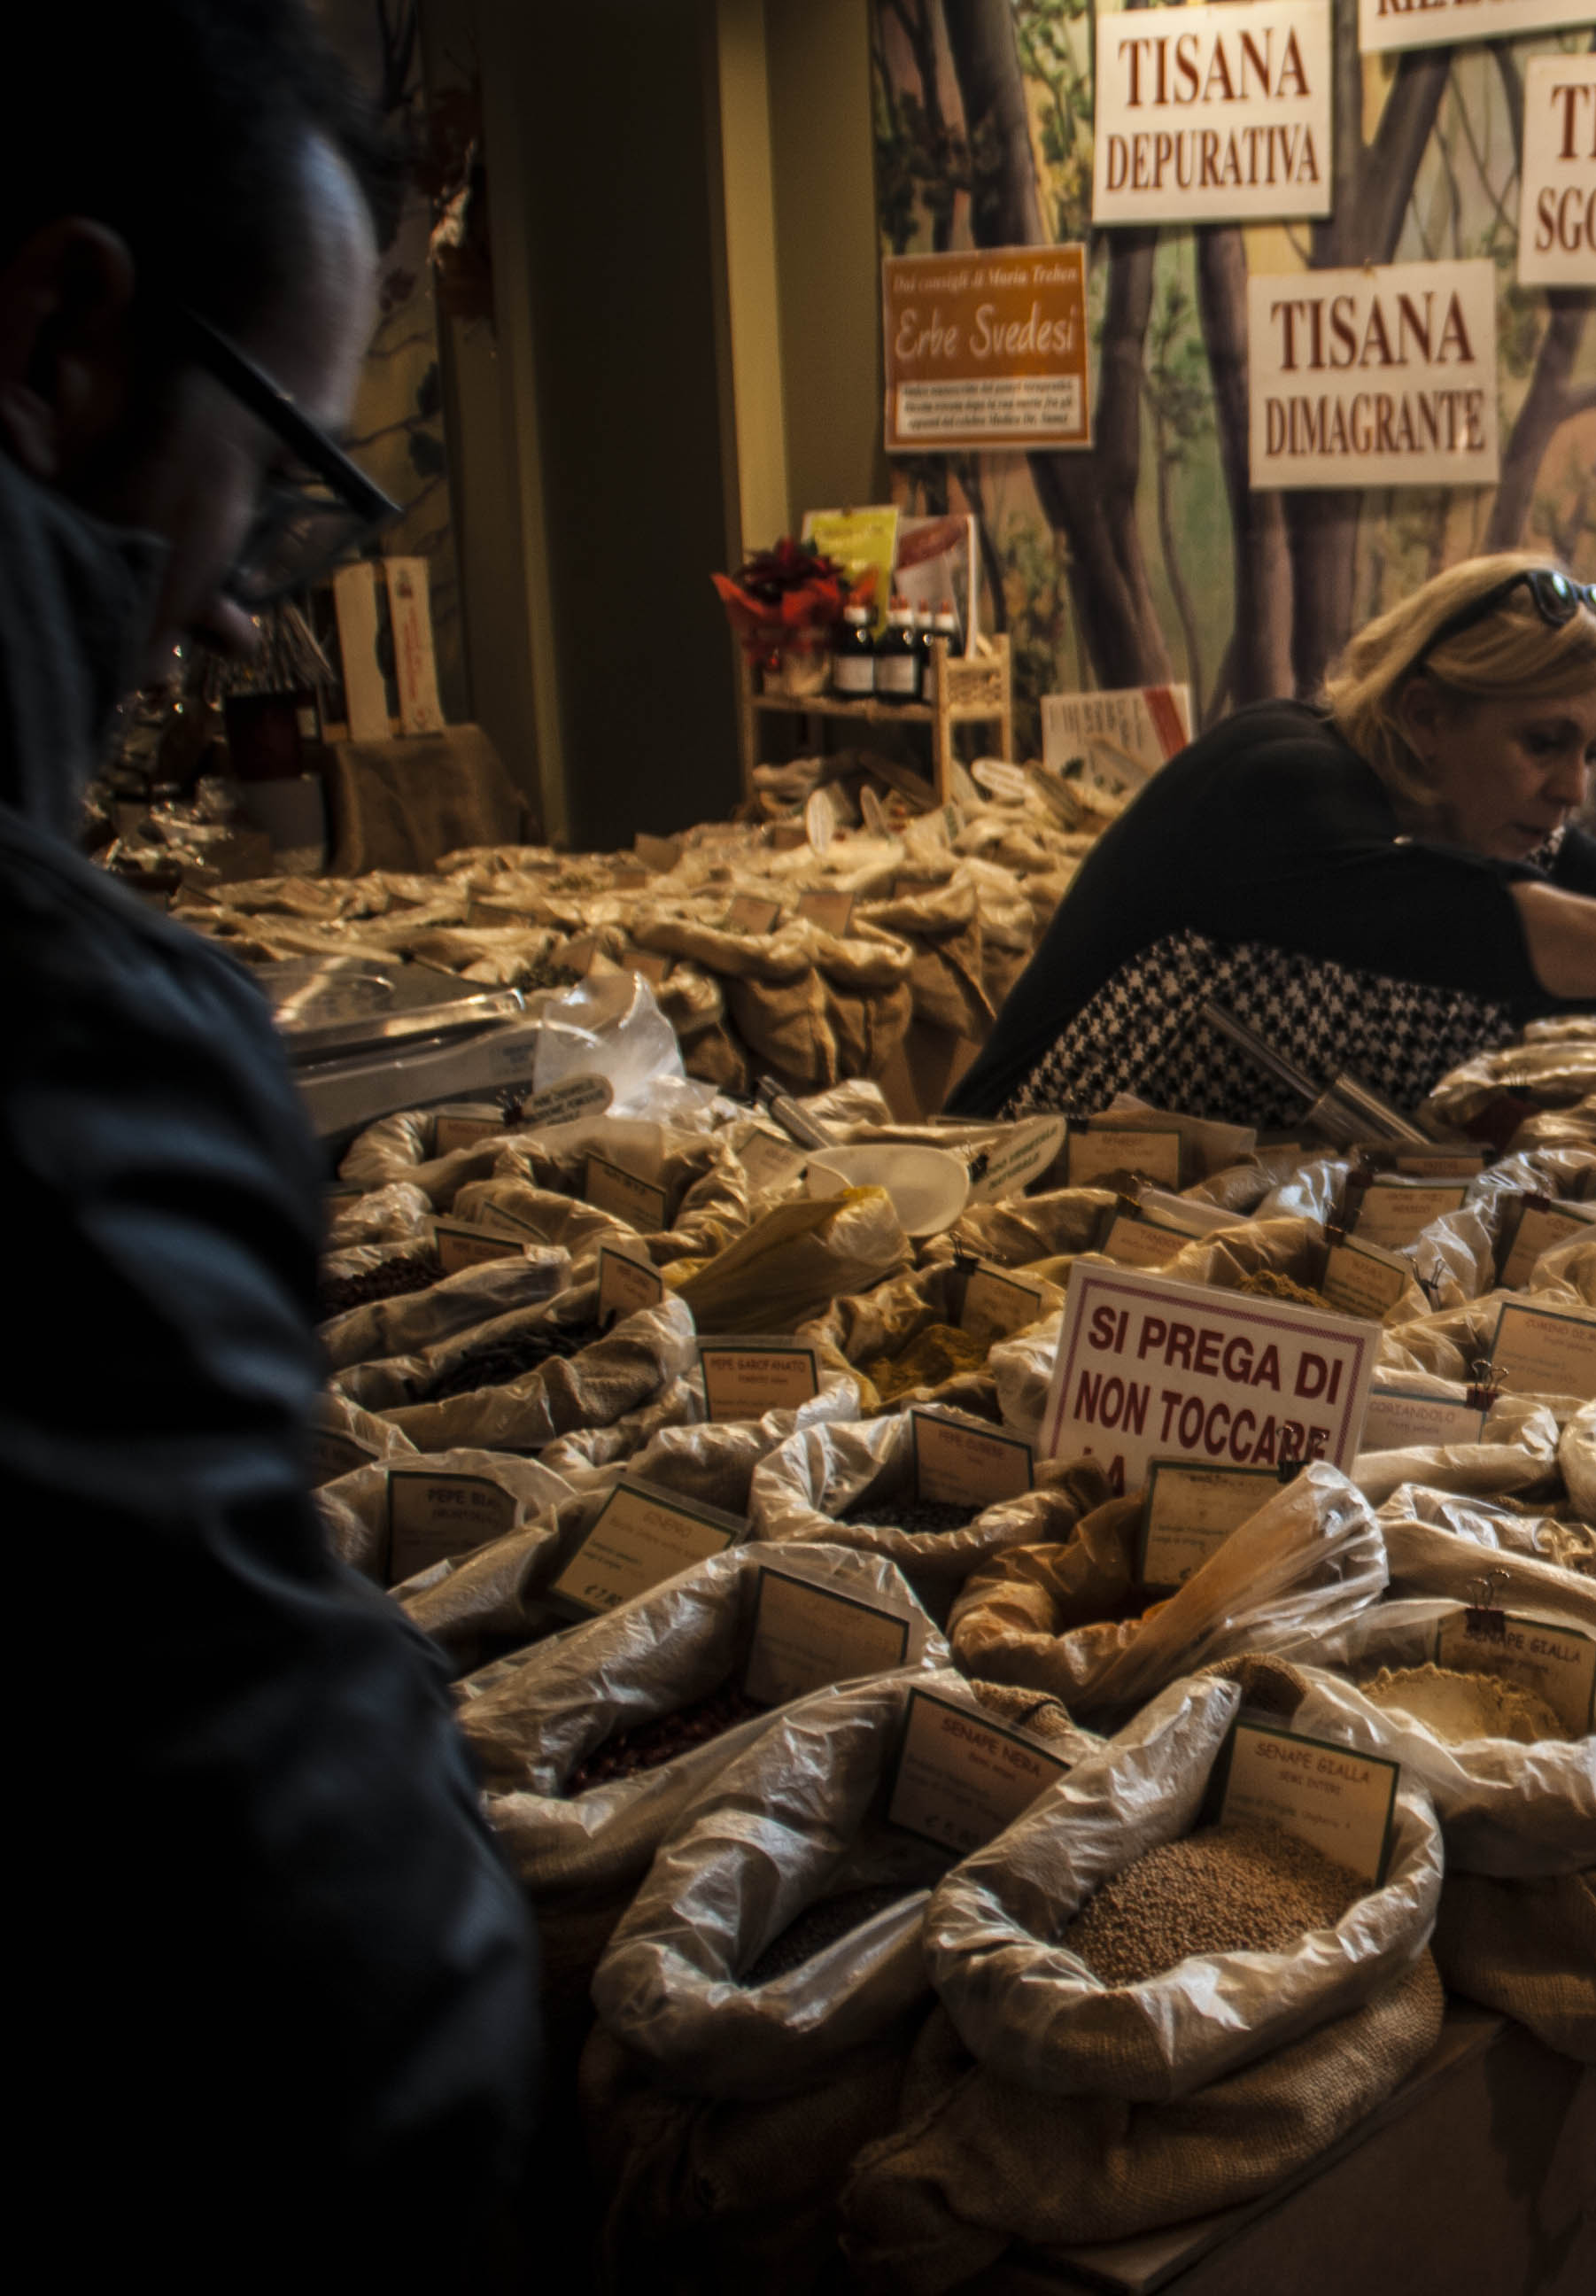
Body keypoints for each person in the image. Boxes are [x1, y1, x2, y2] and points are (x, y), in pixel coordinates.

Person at [5, 2, 536, 2269]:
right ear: (62, 335)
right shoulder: (72, 1034)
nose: (236, 602)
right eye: (280, 471)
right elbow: (335, 1999)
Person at [947, 553, 1596, 1124]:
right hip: (1017, 1191)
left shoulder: (1513, 836)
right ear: (1427, 715)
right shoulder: (1278, 781)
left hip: (1196, 1225)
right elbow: (1440, 919)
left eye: (1592, 751)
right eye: (1543, 742)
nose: (1572, 790)